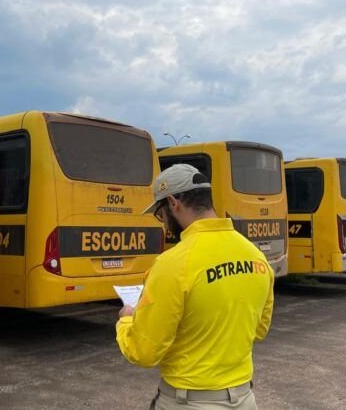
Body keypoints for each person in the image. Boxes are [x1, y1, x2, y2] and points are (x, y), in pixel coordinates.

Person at [116, 164, 274, 410]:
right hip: (244, 399)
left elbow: (144, 352)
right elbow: (259, 329)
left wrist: (126, 320)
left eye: (160, 213)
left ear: (173, 202)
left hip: (188, 401)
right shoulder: (256, 256)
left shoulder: (173, 264)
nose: (163, 222)